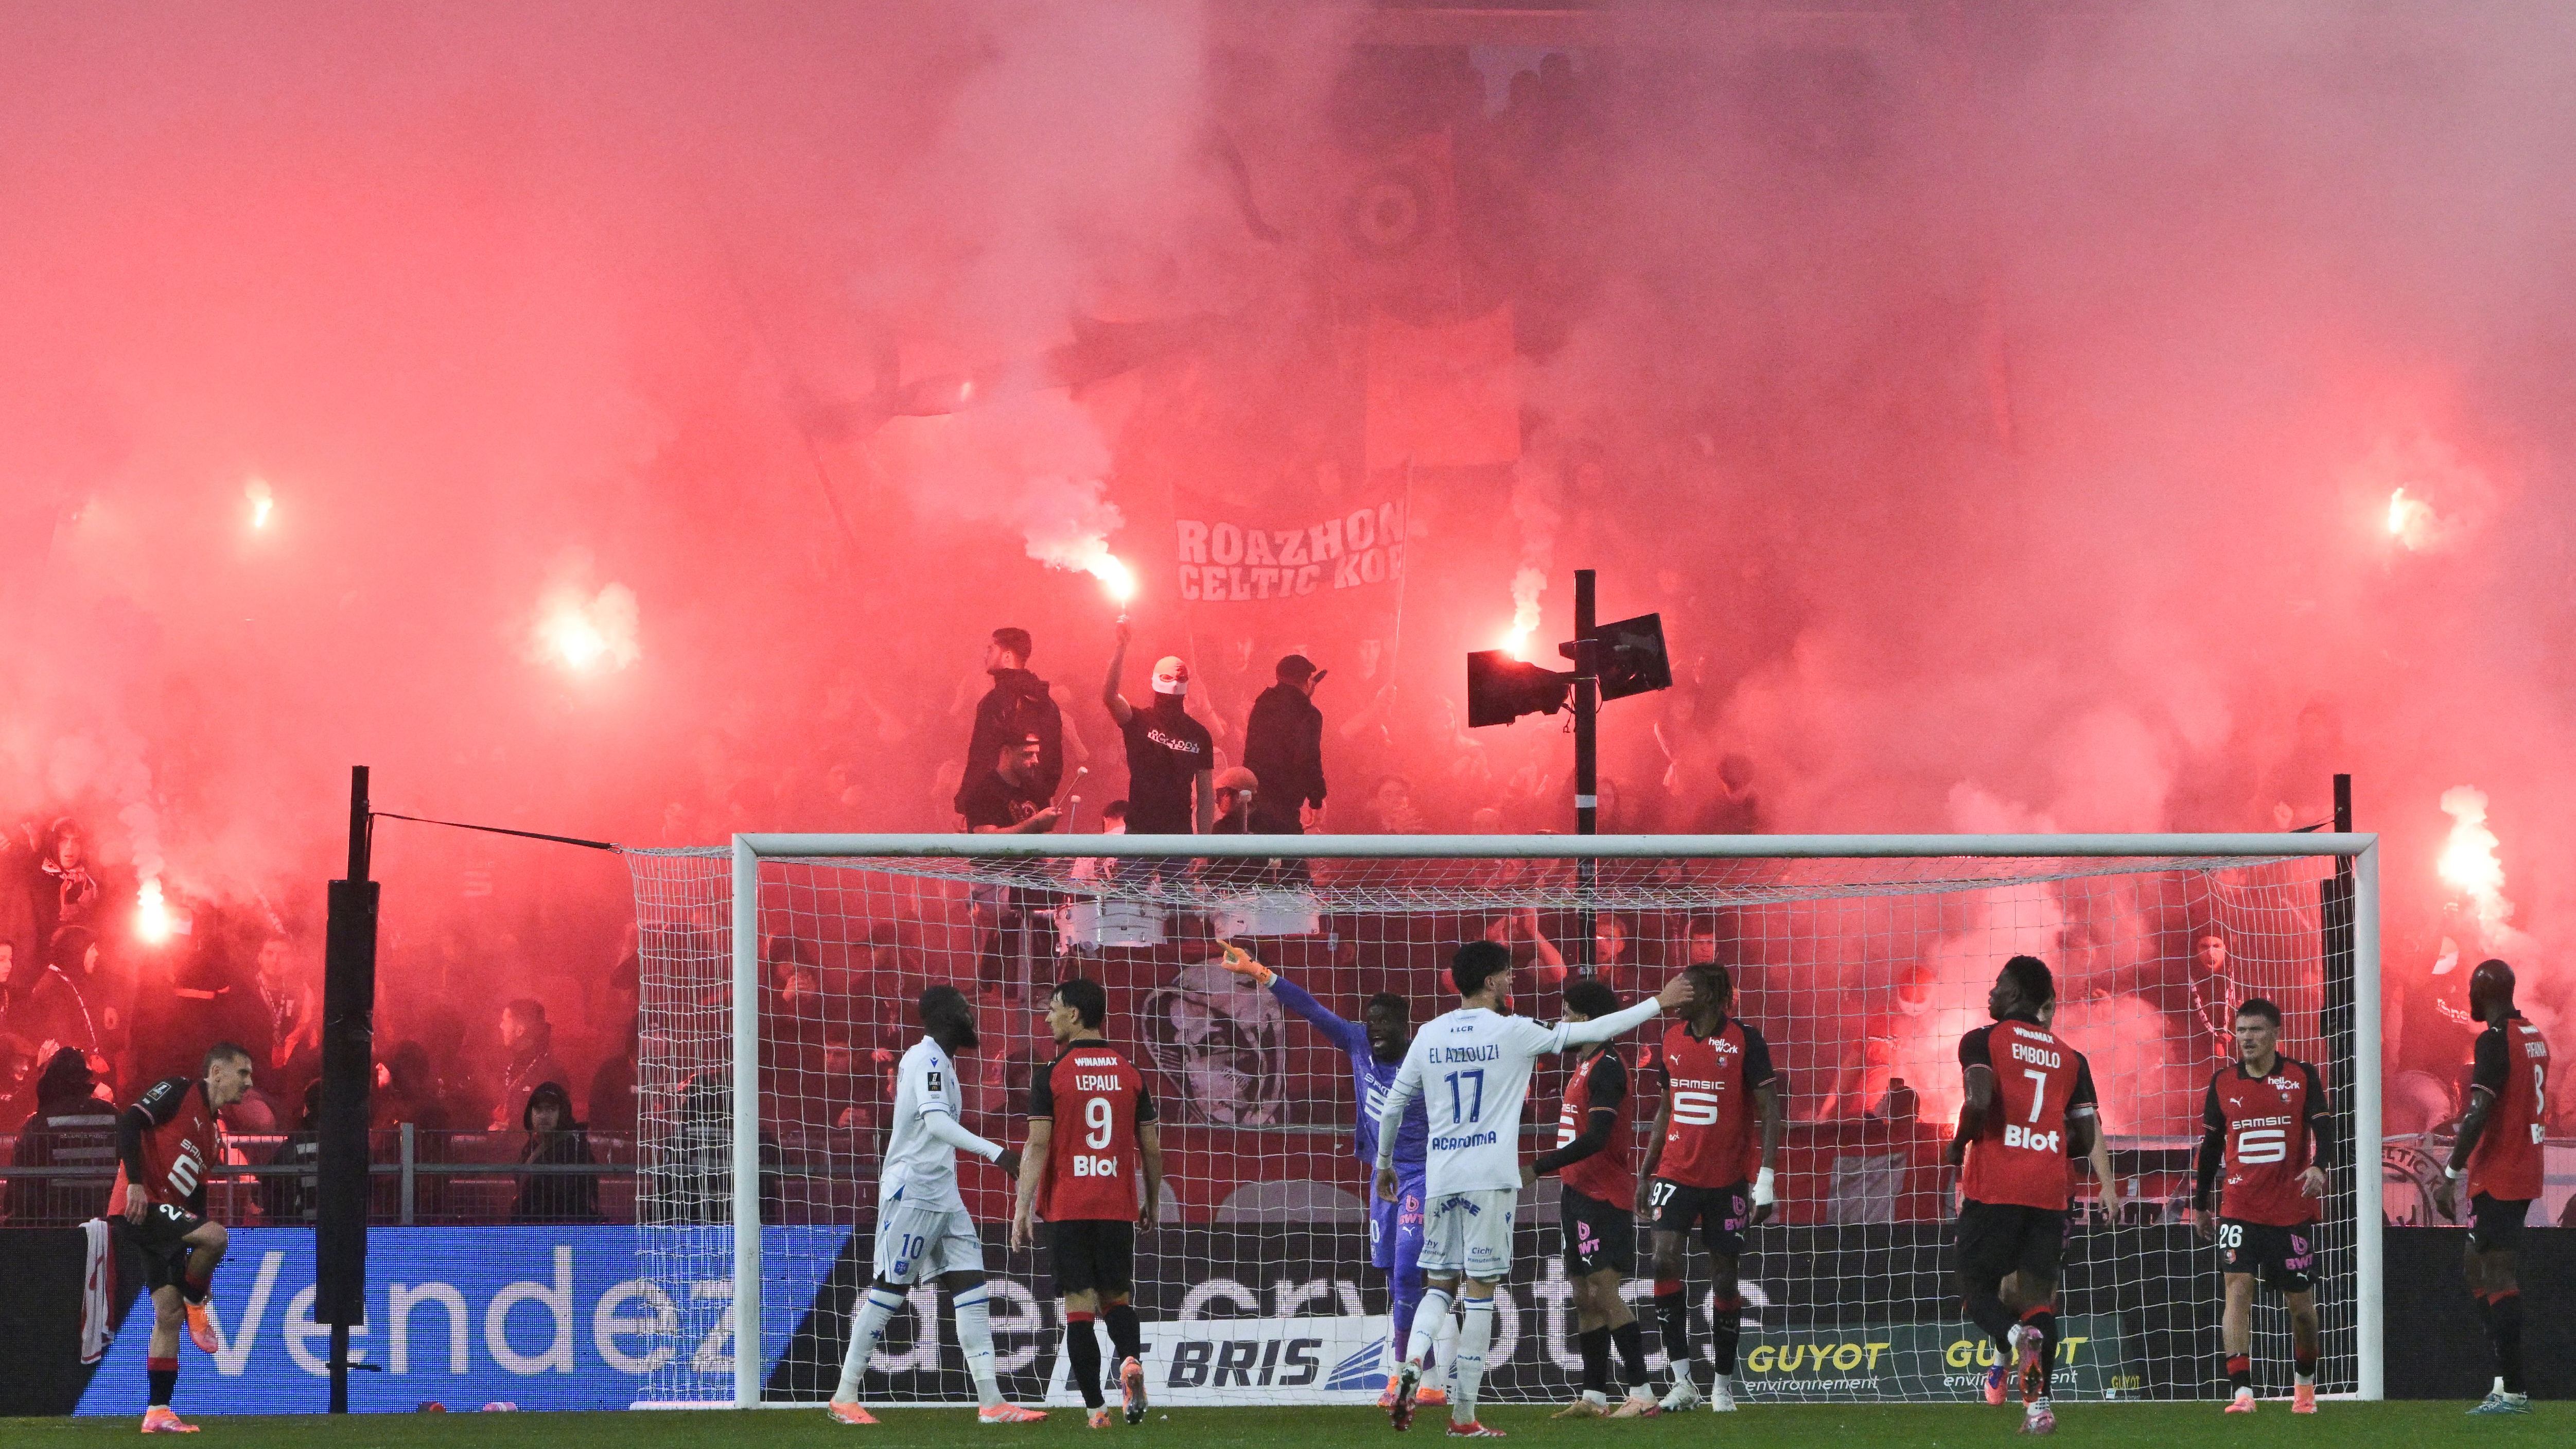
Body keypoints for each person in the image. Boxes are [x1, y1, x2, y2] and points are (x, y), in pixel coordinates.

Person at [1374, 940, 1690, 1436]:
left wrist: (1384, 1163)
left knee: (1438, 1285)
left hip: (1440, 1177)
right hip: (1491, 1181)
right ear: (1489, 981)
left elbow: (1393, 1106)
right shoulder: (1514, 1031)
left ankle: (1411, 1365)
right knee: (1479, 1293)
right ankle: (1463, 1418)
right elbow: (1596, 1028)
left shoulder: (1428, 1034)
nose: (1512, 981)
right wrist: (1659, 1003)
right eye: (1506, 974)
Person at [1220, 945, 1447, 1412]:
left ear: (1407, 1026)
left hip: (1422, 1175)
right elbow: (1311, 1009)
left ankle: (1400, 1378)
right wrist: (1262, 973)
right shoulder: (1357, 1041)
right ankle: (1430, 1380)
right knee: (1391, 1274)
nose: (1376, 1028)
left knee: (1407, 1273)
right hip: (1381, 1177)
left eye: (1385, 1021)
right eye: (1372, 1019)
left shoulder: (1427, 1054)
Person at [827, 985, 1040, 1425]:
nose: (972, 1015)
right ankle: (845, 1395)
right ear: (946, 1016)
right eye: (965, 1009)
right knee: (890, 1289)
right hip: (916, 1190)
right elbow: (936, 1121)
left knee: (972, 1289)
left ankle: (992, 1401)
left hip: (942, 1192)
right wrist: (996, 1152)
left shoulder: (941, 1061)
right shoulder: (926, 1059)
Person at [1944, 956, 2097, 1438]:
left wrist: (1959, 1142)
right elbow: (2086, 1137)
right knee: (2036, 1301)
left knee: (1975, 1289)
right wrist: (2044, 1140)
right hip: (2049, 1190)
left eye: (1998, 985)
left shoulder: (1981, 1040)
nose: (1990, 992)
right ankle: (2038, 1408)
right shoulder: (2072, 1057)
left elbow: (1977, 1101)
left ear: (2015, 995)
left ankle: (2010, 1339)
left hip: (1997, 1186)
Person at [1009, 978, 1164, 1428]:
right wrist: (1151, 1199)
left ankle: (1097, 1410)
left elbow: (1037, 1146)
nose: (1047, 1016)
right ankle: (1131, 1359)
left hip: (1067, 1206)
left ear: (1075, 1014)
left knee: (1078, 1306)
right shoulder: (1130, 1071)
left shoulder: (1051, 1073)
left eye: (1053, 1008)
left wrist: (1022, 1207)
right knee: (1117, 1298)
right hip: (1116, 1204)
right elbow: (1151, 1147)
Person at [1633, 962, 1782, 1415]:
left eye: (1689, 987)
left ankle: (1721, 1384)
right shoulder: (1672, 1038)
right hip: (1675, 1174)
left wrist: (1766, 1178)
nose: (1679, 992)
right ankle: (1681, 1381)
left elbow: (1770, 1111)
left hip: (1725, 1181)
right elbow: (1665, 1107)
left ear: (1713, 995)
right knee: (1661, 1261)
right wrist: (1646, 1170)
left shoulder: (1745, 1040)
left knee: (1724, 1275)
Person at [2193, 997, 2330, 1414]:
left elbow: (2325, 1130)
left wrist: (2320, 1167)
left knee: (2301, 1309)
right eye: (2241, 1030)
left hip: (2290, 1211)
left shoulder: (2301, 1077)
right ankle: (2242, 1392)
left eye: (2255, 1030)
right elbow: (2211, 1147)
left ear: (2275, 1034)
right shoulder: (2221, 1083)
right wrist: (2201, 1204)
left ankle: (2304, 1388)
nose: (2246, 1038)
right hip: (2238, 1206)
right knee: (2236, 1289)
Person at [2430, 958, 2551, 1416]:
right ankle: (2503, 1381)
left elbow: (2479, 1111)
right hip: (2518, 1168)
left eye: (2470, 991)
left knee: (2496, 1274)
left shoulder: (2494, 1040)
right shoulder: (2534, 1034)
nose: (2468, 999)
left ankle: (2513, 1391)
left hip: (2501, 1173)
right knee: (2474, 1268)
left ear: (2483, 993)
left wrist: (2449, 1174)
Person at [116, 1043, 254, 1434]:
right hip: (141, 1205)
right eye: (242, 1072)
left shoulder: (212, 1135)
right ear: (215, 1073)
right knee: (216, 1238)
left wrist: (192, 1229)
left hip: (165, 1218)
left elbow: (195, 1195)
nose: (249, 1082)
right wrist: (136, 1185)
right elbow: (130, 1122)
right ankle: (198, 1300)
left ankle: (158, 1411)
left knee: (167, 1314)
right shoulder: (179, 1090)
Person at [1539, 979, 1658, 1418]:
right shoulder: (1583, 1062)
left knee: (1605, 1292)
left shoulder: (1608, 1066)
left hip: (1603, 1195)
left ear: (1587, 1020)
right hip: (1576, 1193)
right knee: (1583, 1294)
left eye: (1567, 1013)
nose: (1562, 1021)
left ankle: (1643, 1394)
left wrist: (1538, 1166)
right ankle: (1593, 1396)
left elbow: (1597, 1137)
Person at [955, 627, 1081, 815]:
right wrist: (1040, 796)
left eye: (991, 649)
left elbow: (981, 758)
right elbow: (1055, 762)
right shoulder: (1048, 703)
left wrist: (965, 806)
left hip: (994, 809)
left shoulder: (995, 702)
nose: (985, 655)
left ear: (1007, 656)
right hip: (1036, 808)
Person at [1102, 622, 1213, 835]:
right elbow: (1110, 697)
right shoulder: (1139, 720)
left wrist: (1204, 848)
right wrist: (1121, 648)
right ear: (1154, 681)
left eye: (1180, 678)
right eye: (1167, 677)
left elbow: (1206, 796)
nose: (1173, 683)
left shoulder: (1200, 735)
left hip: (1178, 838)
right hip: (1140, 835)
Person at [6, 1046, 120, 1224]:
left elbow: (20, 1193)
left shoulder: (37, 1124)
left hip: (53, 1231)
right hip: (105, 1229)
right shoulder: (111, 1115)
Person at [1242, 655, 1326, 834]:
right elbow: (1309, 759)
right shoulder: (1309, 715)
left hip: (1254, 800)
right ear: (1307, 681)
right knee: (1291, 860)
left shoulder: (1262, 706)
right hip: (1285, 806)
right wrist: (1316, 799)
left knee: (1257, 859)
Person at [513, 1080, 603, 1223]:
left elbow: (571, 1202)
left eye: (551, 1109)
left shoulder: (574, 1150)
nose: (544, 1116)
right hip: (533, 1232)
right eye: (539, 1110)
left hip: (563, 1234)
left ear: (563, 1113)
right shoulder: (532, 1145)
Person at [487, 999, 570, 1131]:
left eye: (505, 1021)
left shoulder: (551, 1074)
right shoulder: (504, 1063)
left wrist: (511, 1128)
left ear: (520, 1031)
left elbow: (549, 1124)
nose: (501, 1026)